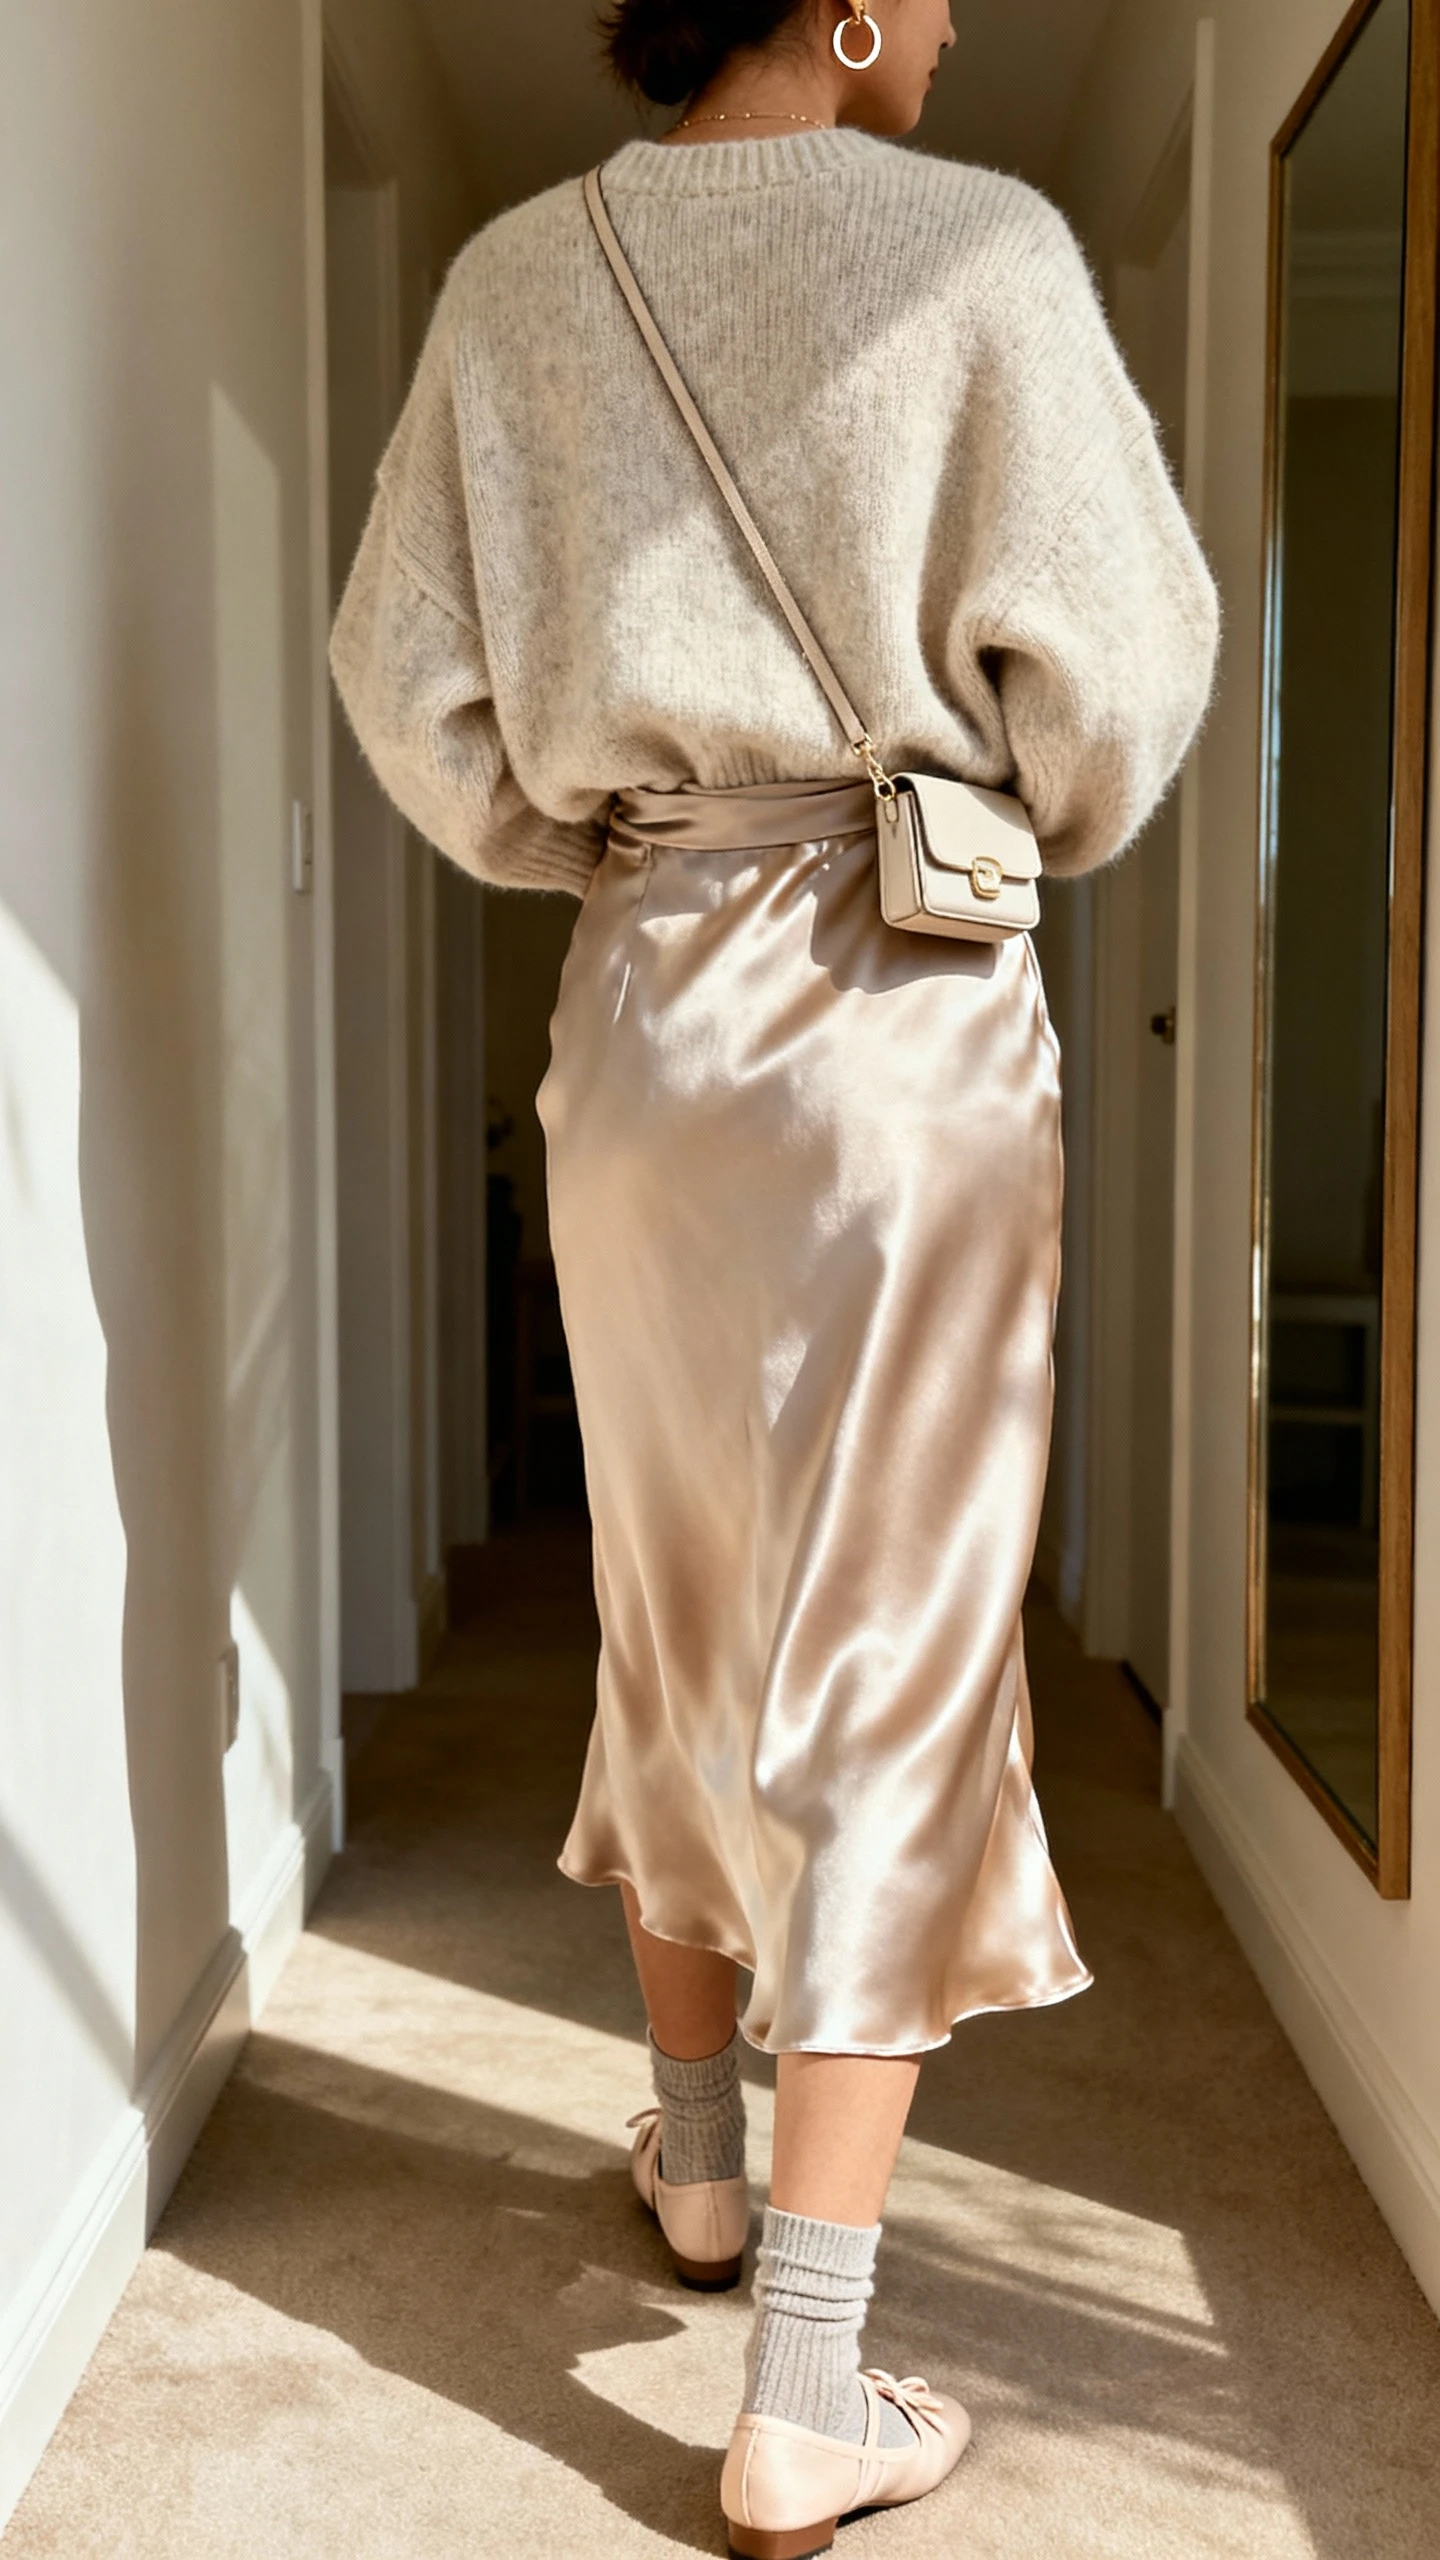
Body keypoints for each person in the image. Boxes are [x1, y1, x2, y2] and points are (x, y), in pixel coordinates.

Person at [331, 0, 1219, 2547]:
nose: (965, 14)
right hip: (902, 1022)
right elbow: (1130, 683)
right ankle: (807, 2383)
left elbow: (413, 693)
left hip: (641, 1010)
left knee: (679, 1594)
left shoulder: (513, 278)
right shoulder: (986, 258)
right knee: (902, 1648)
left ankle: (702, 2165)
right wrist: (979, 799)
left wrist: (611, 835)